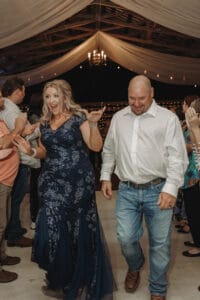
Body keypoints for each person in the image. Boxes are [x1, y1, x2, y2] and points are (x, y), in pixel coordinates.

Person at [13, 79, 114, 299]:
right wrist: (29, 151)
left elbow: (95, 146)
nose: (51, 101)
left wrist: (95, 124)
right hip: (50, 182)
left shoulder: (79, 119)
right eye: (48, 96)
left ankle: (77, 280)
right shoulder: (43, 123)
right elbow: (43, 152)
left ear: (65, 96)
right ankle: (62, 275)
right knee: (51, 230)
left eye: (55, 96)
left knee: (77, 231)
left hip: (78, 182)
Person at [101, 75, 188, 300]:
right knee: (125, 237)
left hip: (158, 190)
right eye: (132, 98)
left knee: (160, 244)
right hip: (128, 190)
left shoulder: (167, 119)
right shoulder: (119, 118)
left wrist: (171, 188)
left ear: (152, 94)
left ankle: (158, 289)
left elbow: (177, 157)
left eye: (141, 98)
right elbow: (109, 149)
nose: (136, 103)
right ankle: (135, 264)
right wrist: (105, 176)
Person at [0, 77, 37, 247]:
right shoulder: (11, 109)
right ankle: (13, 234)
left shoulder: (6, 108)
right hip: (13, 166)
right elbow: (11, 139)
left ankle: (11, 230)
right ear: (18, 91)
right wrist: (34, 129)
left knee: (11, 202)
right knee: (14, 201)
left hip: (11, 165)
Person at [181, 99, 200, 257]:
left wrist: (194, 127)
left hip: (194, 175)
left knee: (195, 212)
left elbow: (197, 152)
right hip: (193, 174)